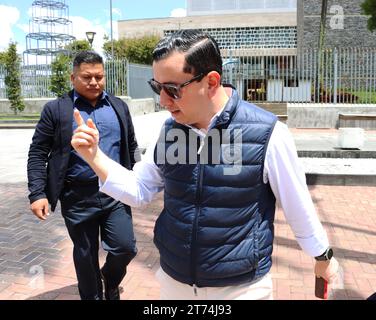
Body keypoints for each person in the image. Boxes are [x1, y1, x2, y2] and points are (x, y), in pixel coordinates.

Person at [71, 30, 339, 300]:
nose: (162, 101)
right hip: (174, 283)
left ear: (211, 82)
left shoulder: (266, 133)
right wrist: (94, 156)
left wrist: (322, 255)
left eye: (172, 89)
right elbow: (140, 188)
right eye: (157, 87)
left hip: (241, 289)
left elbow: (297, 205)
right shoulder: (171, 132)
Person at [27, 51, 139, 300]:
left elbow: (131, 145)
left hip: (115, 191)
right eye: (87, 77)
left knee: (125, 247)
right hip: (76, 195)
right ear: (73, 77)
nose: (94, 82)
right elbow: (38, 152)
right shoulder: (56, 110)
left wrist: (137, 177)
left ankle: (110, 278)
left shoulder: (118, 106)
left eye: (99, 76)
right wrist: (37, 193)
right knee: (85, 253)